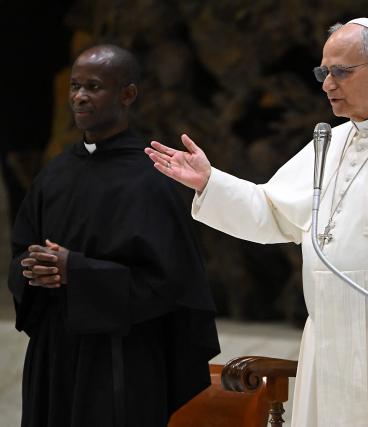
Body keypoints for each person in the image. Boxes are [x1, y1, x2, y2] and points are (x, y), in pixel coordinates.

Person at [145, 18, 368, 427]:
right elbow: (271, 213)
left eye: (340, 72)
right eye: (323, 72)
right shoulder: (327, 143)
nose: (327, 84)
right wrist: (210, 182)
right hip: (327, 336)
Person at [8, 44, 220, 427]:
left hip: (122, 359)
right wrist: (32, 268)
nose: (79, 96)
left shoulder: (151, 180)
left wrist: (77, 270)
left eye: (93, 86)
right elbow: (21, 250)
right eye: (74, 86)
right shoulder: (54, 174)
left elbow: (172, 285)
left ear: (127, 94)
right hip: (54, 352)